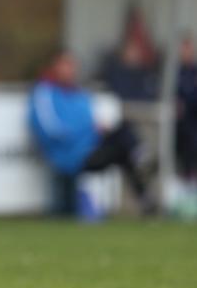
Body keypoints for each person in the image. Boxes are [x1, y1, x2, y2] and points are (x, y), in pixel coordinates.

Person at [28, 49, 156, 216]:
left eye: (72, 65)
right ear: (55, 66)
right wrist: (88, 131)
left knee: (123, 136)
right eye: (65, 65)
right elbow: (50, 130)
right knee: (123, 144)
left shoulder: (79, 93)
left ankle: (143, 184)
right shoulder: (44, 93)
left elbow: (88, 121)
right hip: (68, 156)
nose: (70, 70)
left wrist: (97, 129)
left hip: (89, 149)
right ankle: (141, 161)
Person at [176, 35, 197, 180]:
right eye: (184, 48)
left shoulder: (194, 71)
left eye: (189, 48)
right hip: (178, 121)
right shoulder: (174, 72)